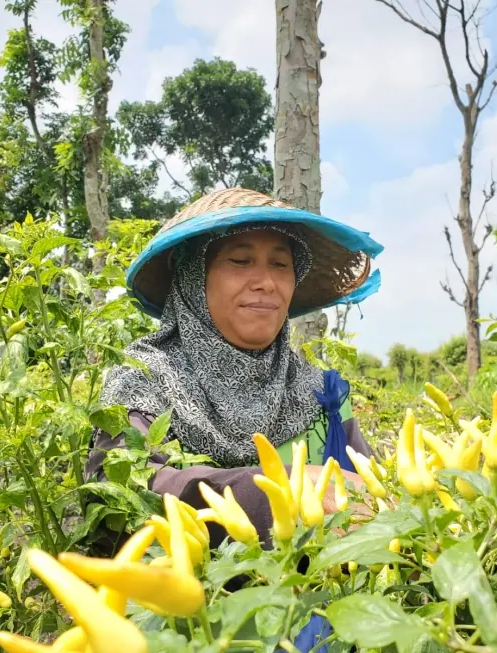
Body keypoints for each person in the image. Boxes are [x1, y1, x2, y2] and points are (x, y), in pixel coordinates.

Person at [85, 188, 383, 547]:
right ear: (195, 279)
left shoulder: (322, 395)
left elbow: (374, 493)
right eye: (241, 261)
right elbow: (127, 495)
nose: (267, 283)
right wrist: (281, 493)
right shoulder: (143, 380)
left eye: (280, 265)